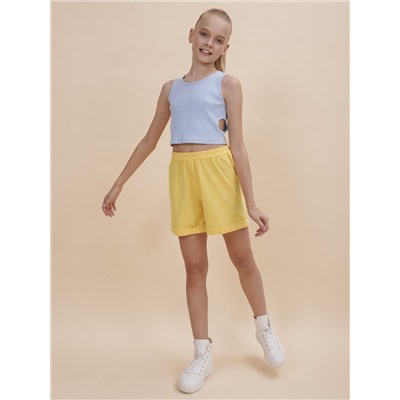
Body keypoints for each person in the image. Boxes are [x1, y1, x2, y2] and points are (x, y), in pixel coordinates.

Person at [102, 8, 286, 394]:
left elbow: (238, 146)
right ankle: (202, 354)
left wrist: (251, 202)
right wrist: (119, 184)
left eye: (218, 40)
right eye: (204, 34)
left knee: (242, 259)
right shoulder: (170, 89)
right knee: (195, 268)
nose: (209, 43)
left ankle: (264, 327)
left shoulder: (228, 85)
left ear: (225, 48)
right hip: (183, 176)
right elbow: (149, 140)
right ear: (191, 35)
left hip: (218, 173)